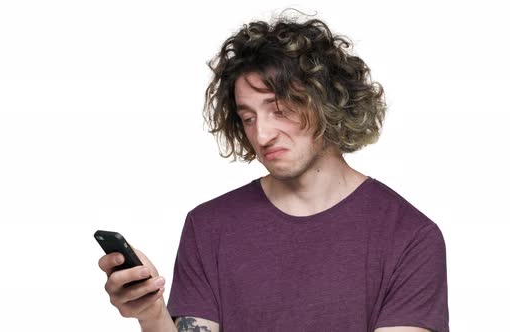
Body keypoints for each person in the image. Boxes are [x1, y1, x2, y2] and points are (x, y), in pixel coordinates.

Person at [98, 11, 449, 332]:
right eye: (248, 118)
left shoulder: (409, 237)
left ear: (327, 101)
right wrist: (152, 314)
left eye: (279, 109)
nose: (262, 135)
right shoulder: (208, 227)